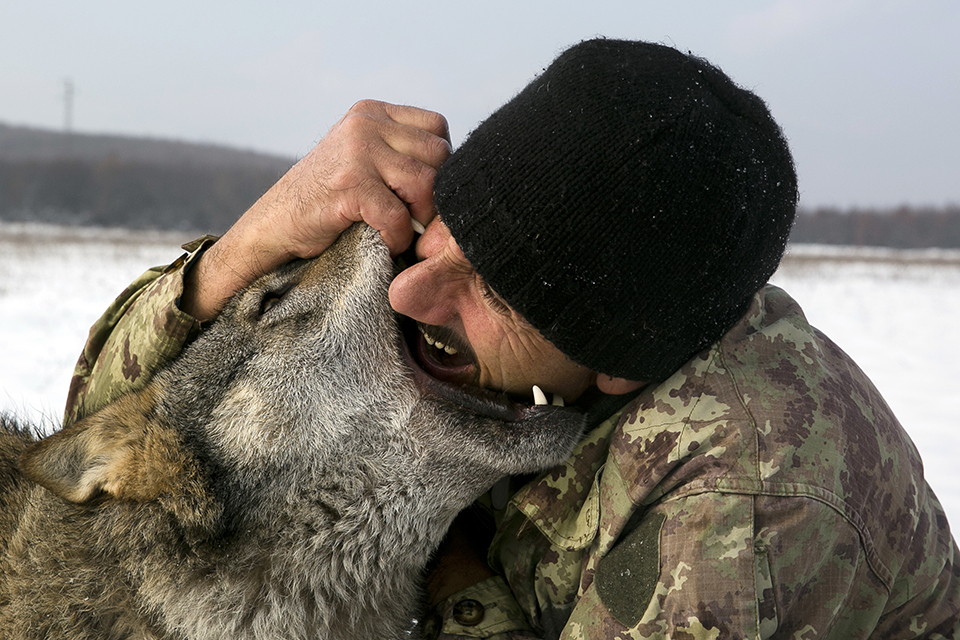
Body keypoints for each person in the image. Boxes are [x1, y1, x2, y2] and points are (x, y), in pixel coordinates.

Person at [64, 39, 959, 639]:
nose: (407, 289)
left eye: (496, 289)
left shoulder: (745, 504)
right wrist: (250, 245)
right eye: (448, 225)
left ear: (615, 365)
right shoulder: (446, 310)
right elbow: (102, 437)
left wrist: (448, 574)